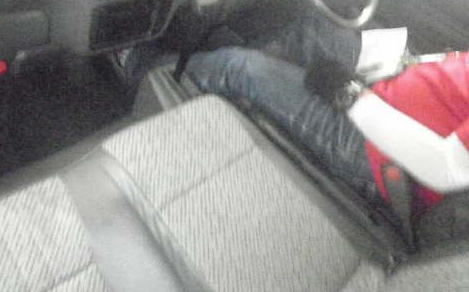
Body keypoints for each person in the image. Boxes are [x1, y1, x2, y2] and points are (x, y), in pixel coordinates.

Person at [185, 14, 469, 229]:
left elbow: (443, 168)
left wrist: (348, 93)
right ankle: (219, 65)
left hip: (381, 152)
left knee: (240, 68)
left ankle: (175, 73)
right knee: (313, 30)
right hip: (391, 88)